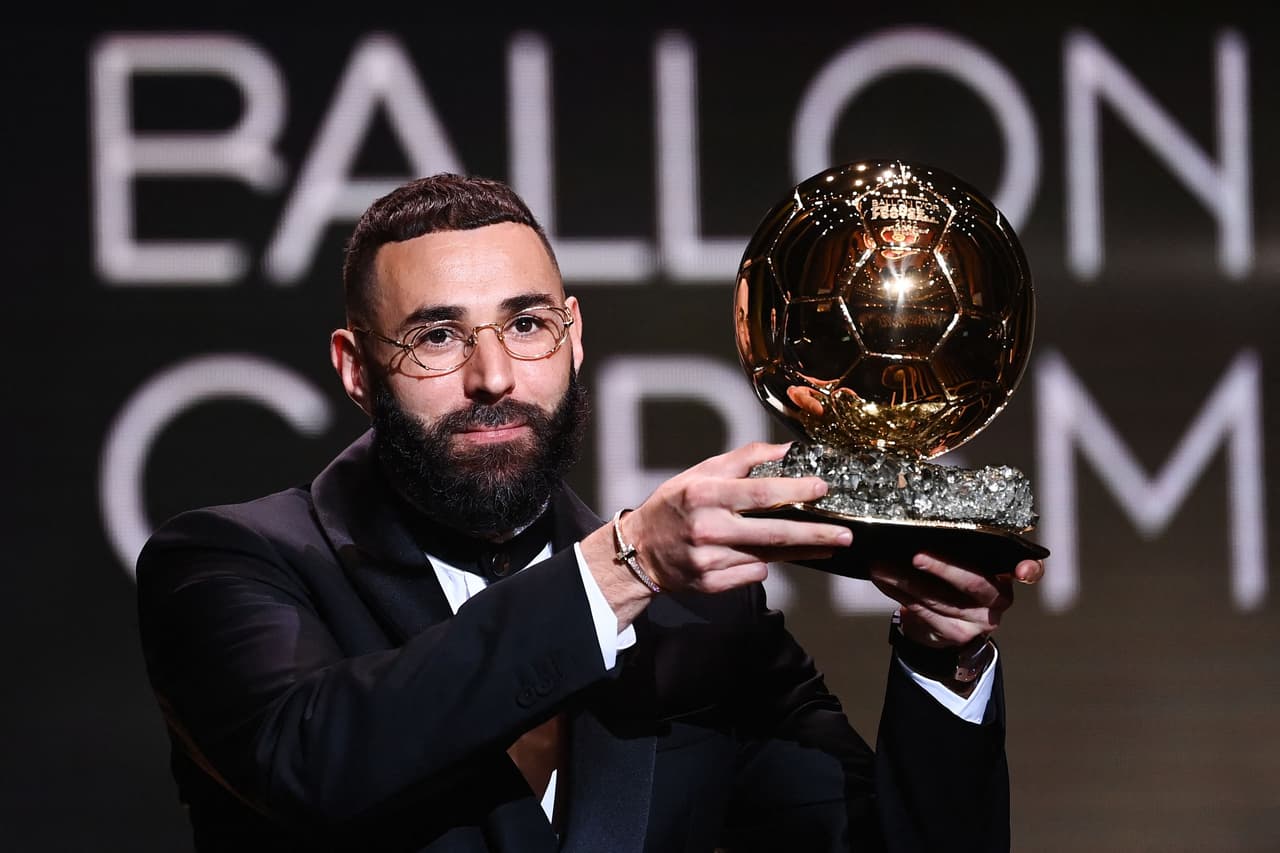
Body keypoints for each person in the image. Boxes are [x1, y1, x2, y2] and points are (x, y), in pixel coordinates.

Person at [136, 173, 1044, 853]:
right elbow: (315, 762)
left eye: (527, 325)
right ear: (354, 366)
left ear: (575, 335)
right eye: (438, 336)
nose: (493, 378)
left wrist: (942, 658)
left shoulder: (704, 619)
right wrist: (626, 565)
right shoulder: (230, 562)